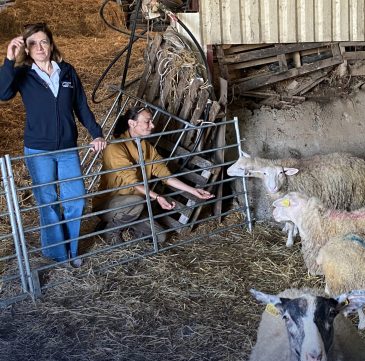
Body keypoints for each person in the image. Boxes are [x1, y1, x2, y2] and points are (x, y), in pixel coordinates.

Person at [0, 22, 107, 267]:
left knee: (76, 199)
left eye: (44, 42)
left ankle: (71, 249)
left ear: (51, 44)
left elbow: (81, 105)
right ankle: (58, 255)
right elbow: (3, 93)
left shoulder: (67, 71)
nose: (39, 47)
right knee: (47, 202)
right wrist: (8, 60)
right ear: (26, 49)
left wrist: (96, 133)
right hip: (39, 150)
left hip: (68, 148)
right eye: (33, 43)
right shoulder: (22, 74)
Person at [93, 106, 214, 244]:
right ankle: (110, 230)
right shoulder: (114, 148)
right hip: (111, 204)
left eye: (152, 121)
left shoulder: (147, 148)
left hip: (135, 206)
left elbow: (165, 175)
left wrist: (193, 190)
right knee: (137, 202)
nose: (153, 125)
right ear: (132, 123)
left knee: (160, 237)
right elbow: (133, 182)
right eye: (147, 121)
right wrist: (157, 196)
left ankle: (128, 225)